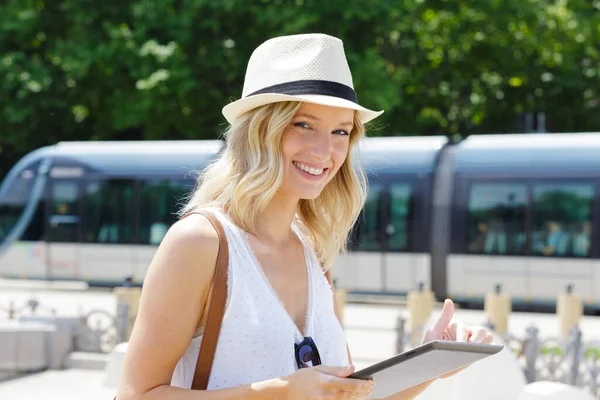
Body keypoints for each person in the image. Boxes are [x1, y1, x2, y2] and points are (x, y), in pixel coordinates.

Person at [116, 33, 494, 400]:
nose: (324, 150)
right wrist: (278, 393)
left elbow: (349, 396)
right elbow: (136, 395)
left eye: (341, 132)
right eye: (304, 125)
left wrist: (428, 362)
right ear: (260, 130)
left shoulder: (314, 250)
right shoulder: (200, 243)